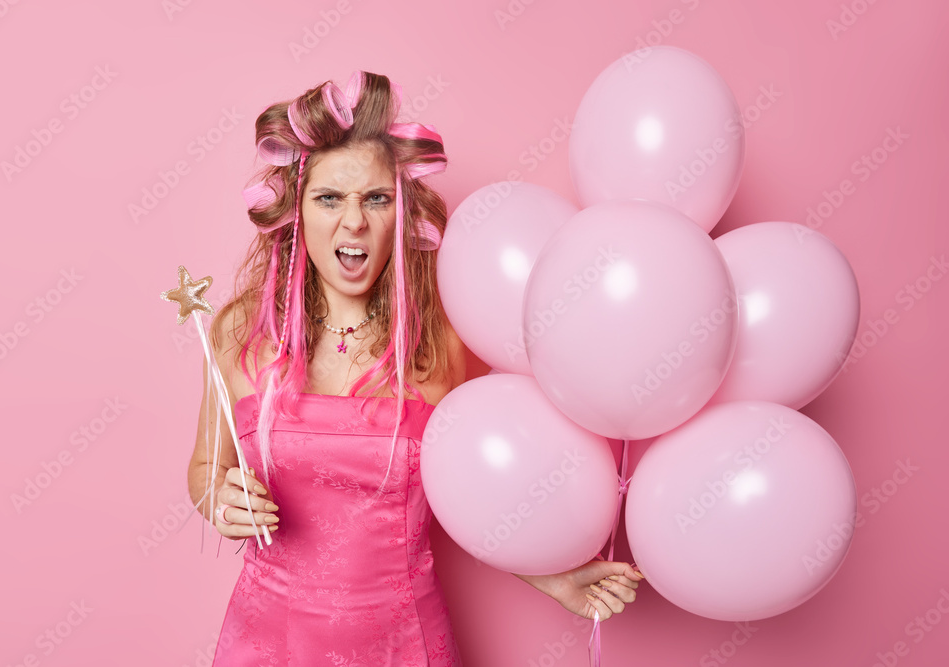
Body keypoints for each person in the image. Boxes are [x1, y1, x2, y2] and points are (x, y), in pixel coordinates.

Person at [186, 70, 644, 666]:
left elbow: (477, 491)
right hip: (268, 642)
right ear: (296, 211)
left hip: (402, 643)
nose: (353, 222)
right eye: (329, 198)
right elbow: (205, 468)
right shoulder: (240, 332)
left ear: (400, 212)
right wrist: (218, 500)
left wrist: (554, 577)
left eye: (375, 198)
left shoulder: (440, 342)